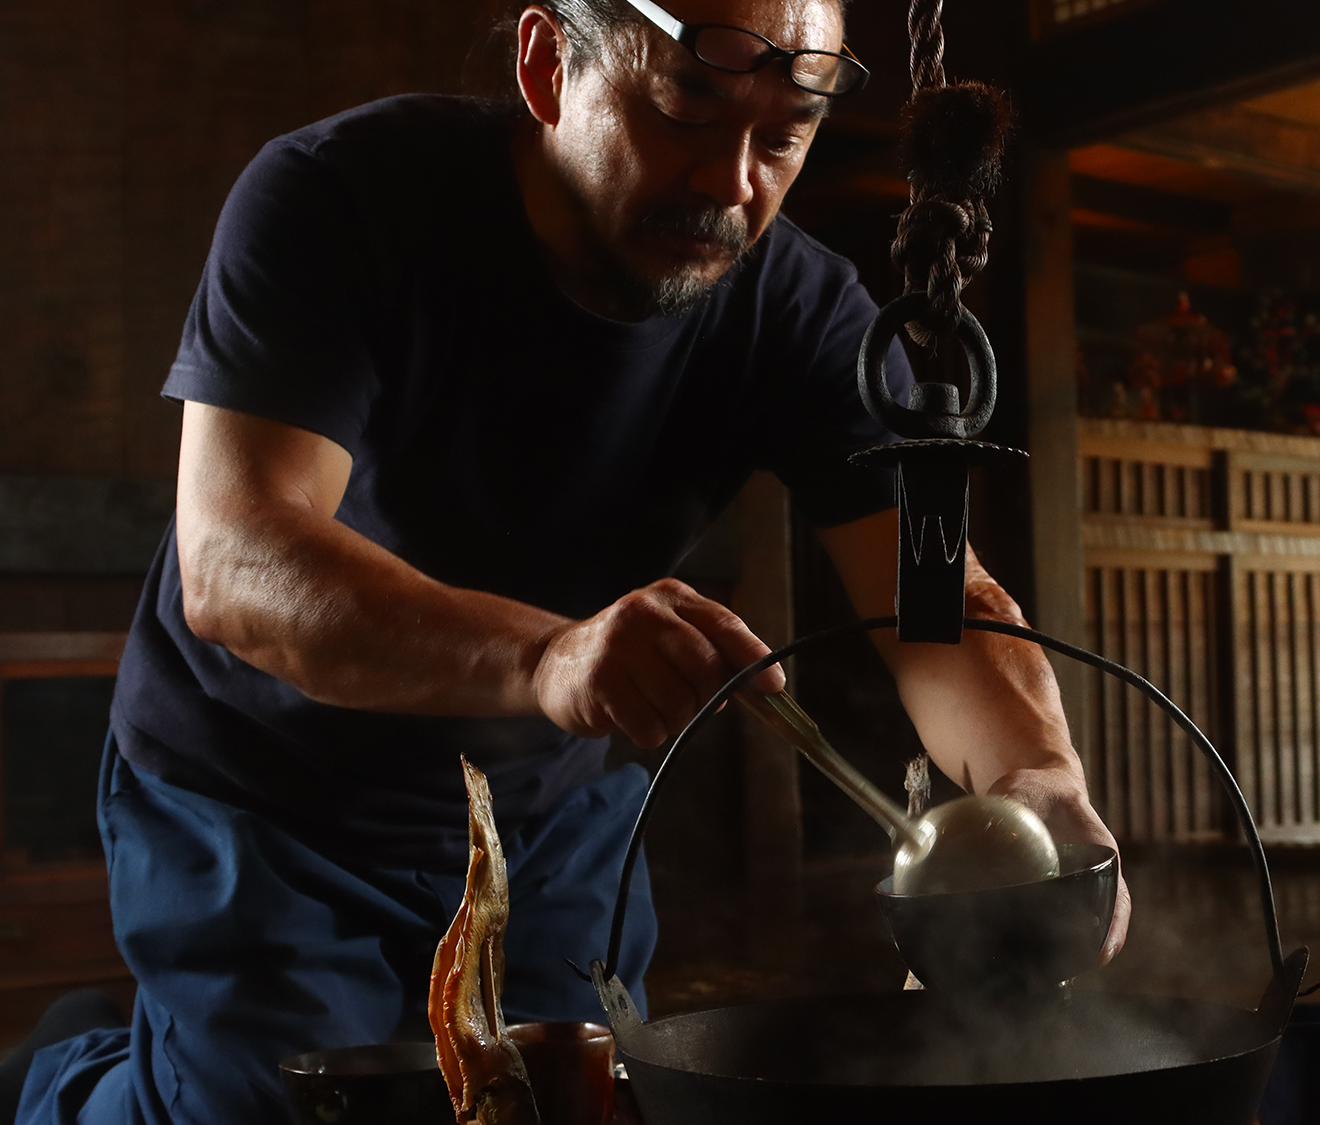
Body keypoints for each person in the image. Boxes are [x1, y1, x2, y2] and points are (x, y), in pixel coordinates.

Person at [6, 1, 1126, 1121]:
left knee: (561, 1106)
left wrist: (1041, 781)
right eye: (685, 109)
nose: (731, 181)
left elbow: (931, 598)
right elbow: (238, 561)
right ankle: (71, 1079)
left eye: (784, 136)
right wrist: (547, 657)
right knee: (278, 1113)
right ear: (547, 66)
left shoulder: (794, 304)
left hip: (543, 812)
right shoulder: (338, 194)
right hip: (268, 788)